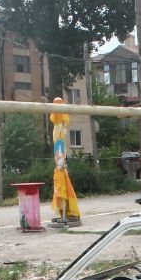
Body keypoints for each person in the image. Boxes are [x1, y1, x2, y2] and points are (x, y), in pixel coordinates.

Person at [49, 97, 81, 227]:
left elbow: (60, 148)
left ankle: (65, 212)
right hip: (60, 164)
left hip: (60, 165)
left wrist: (60, 166)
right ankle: (63, 211)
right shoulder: (58, 130)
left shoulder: (59, 131)